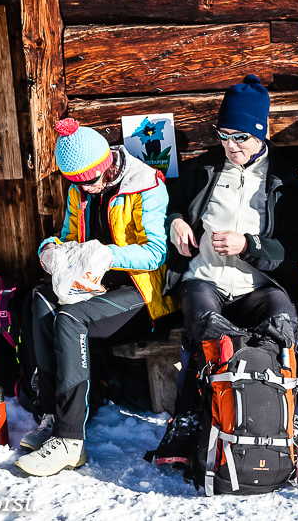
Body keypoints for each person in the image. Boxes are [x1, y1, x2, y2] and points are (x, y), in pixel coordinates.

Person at [153, 74, 298, 462]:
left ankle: (286, 413)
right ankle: (187, 416)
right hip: (204, 278)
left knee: (282, 321)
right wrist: (176, 221)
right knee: (203, 324)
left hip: (259, 285)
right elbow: (173, 203)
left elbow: (292, 250)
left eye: (241, 137)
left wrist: (249, 245)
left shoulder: (285, 181)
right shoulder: (204, 169)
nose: (230, 145)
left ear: (261, 133)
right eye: (223, 135)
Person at [15, 118, 177, 477]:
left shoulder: (147, 185)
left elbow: (156, 254)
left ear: (106, 166)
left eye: (89, 181)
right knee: (40, 300)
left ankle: (70, 440)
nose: (84, 189)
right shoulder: (79, 192)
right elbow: (68, 236)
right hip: (92, 285)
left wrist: (107, 254)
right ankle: (51, 415)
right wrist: (49, 250)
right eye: (76, 183)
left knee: (70, 319)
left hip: (139, 292)